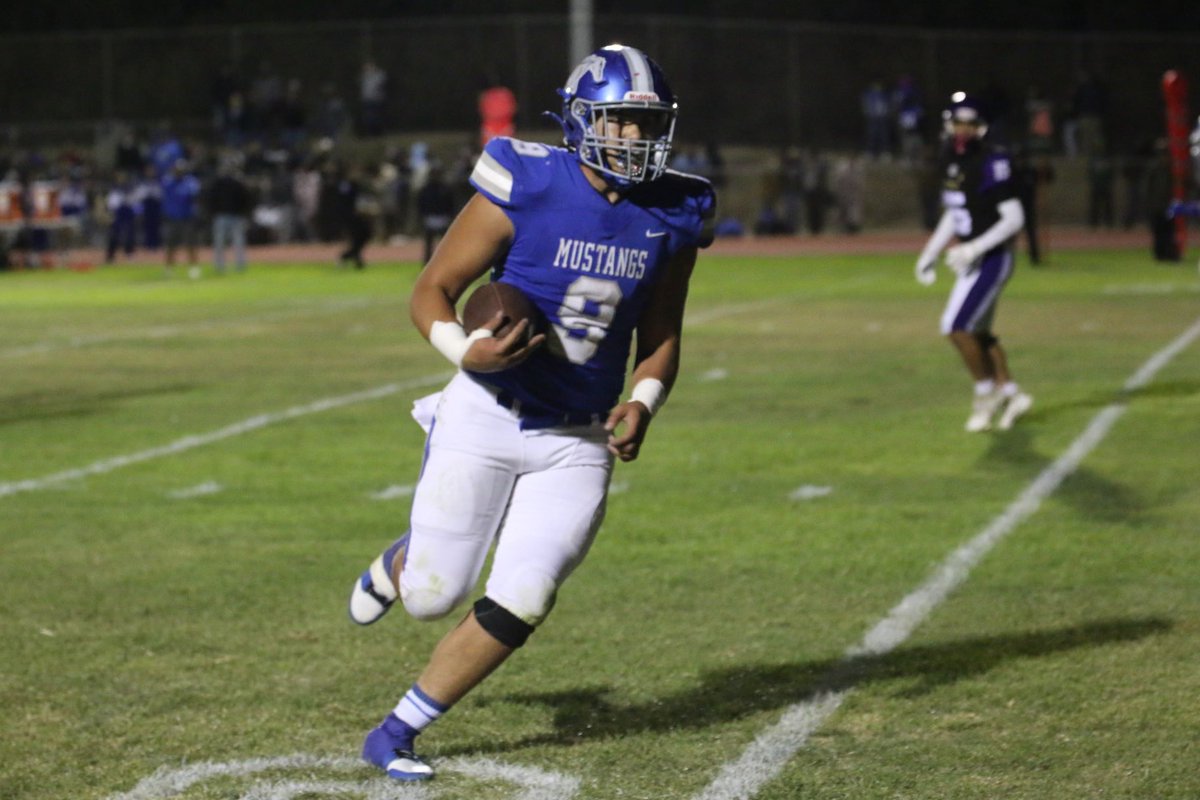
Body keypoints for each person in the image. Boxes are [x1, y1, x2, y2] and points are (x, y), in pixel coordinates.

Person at [346, 43, 715, 782]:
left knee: (528, 591)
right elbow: (431, 290)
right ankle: (401, 560)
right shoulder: (528, 180)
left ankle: (396, 733)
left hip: (576, 437)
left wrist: (642, 403)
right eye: (619, 122)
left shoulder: (676, 210)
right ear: (581, 121)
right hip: (486, 411)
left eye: (647, 125)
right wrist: (464, 352)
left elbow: (662, 336)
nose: (635, 141)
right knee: (431, 596)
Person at [915, 92, 1033, 433]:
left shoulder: (992, 161)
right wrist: (931, 252)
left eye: (970, 124)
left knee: (955, 326)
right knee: (977, 331)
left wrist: (974, 248)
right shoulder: (949, 158)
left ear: (981, 128)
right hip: (972, 257)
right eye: (958, 123)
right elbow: (955, 214)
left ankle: (986, 392)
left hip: (993, 258)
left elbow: (1014, 218)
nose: (963, 130)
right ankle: (1010, 392)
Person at [208, 158, 253, 273]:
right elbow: (211, 198)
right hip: (224, 215)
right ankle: (222, 265)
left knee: (235, 242)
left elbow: (246, 199)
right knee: (223, 242)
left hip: (233, 216)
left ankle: (237, 265)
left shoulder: (236, 183)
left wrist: (244, 212)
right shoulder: (219, 183)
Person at [160, 158, 201, 272]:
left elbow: (194, 195)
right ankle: (169, 268)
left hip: (187, 218)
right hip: (172, 218)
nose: (179, 172)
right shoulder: (168, 181)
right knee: (170, 245)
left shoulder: (190, 182)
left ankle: (194, 268)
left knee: (190, 244)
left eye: (181, 170)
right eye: (177, 170)